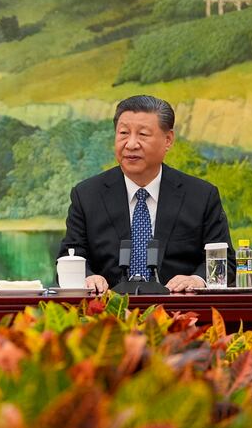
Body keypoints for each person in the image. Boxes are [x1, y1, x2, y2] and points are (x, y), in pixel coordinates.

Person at [58, 95, 236, 293]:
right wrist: (88, 277)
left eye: (142, 134)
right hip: (108, 315)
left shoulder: (201, 196)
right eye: (124, 133)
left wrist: (196, 280)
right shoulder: (87, 195)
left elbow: (225, 263)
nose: (131, 144)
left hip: (179, 314)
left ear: (168, 140)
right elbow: (68, 257)